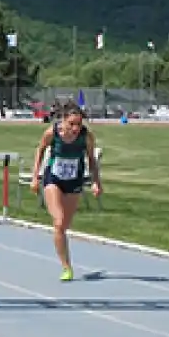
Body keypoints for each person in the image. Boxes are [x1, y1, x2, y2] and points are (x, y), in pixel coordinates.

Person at [33, 103, 101, 281]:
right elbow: (40, 150)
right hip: (53, 179)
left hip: (74, 181)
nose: (75, 128)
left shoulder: (86, 137)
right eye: (72, 124)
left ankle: (64, 259)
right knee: (58, 221)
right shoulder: (52, 133)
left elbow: (92, 160)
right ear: (63, 120)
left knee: (64, 227)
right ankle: (66, 267)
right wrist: (35, 177)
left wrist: (96, 182)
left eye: (79, 124)